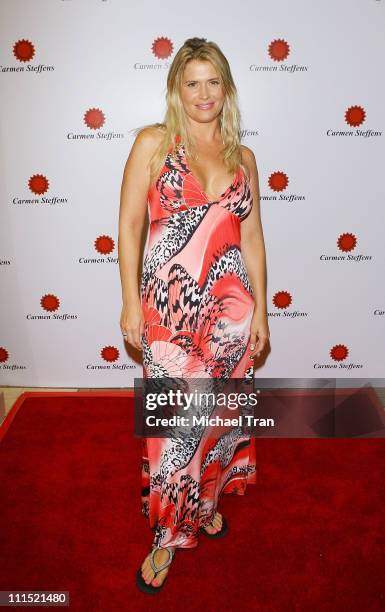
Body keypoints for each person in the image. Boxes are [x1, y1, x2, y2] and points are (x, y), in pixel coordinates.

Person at [118, 37, 269, 594]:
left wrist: (261, 315)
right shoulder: (155, 145)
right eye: (192, 83)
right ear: (176, 90)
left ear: (225, 88)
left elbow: (251, 237)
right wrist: (131, 300)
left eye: (213, 82)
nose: (204, 93)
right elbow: (131, 226)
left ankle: (203, 505)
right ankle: (165, 534)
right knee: (173, 431)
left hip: (231, 315)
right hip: (170, 315)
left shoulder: (243, 159)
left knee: (218, 424)